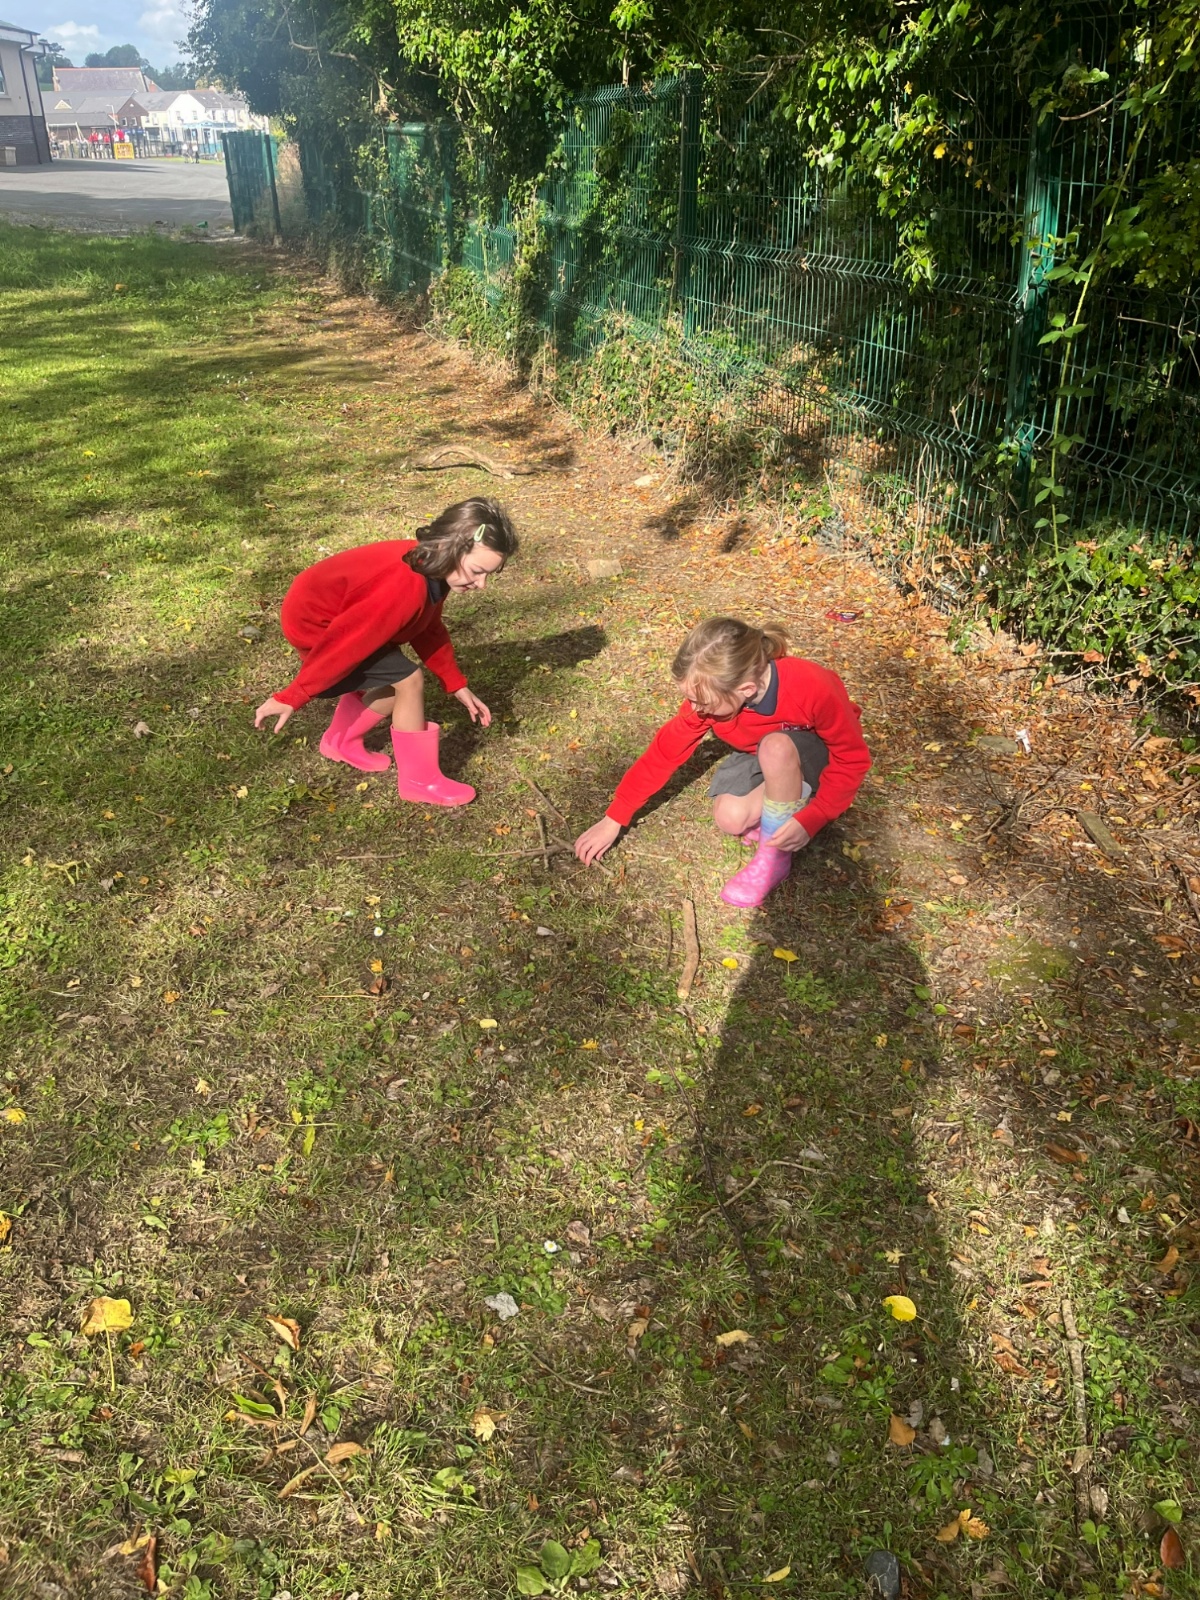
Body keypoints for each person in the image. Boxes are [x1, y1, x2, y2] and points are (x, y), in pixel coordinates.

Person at [574, 616, 871, 907]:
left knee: (776, 748)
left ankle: (774, 859)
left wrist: (817, 816)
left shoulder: (812, 685)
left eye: (703, 702)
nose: (695, 709)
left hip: (814, 756)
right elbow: (664, 753)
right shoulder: (713, 699)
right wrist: (614, 818)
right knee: (731, 818)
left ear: (746, 690)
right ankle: (785, 805)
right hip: (761, 755)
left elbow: (851, 759)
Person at [254, 498, 517, 807]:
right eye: (477, 571)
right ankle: (419, 782)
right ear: (449, 548)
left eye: (488, 575)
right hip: (319, 626)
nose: (482, 584)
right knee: (409, 681)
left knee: (397, 682)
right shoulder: (402, 586)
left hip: (347, 618)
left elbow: (427, 627)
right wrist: (293, 695)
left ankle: (340, 741)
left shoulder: (430, 567)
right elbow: (346, 643)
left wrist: (455, 683)